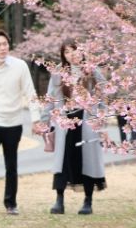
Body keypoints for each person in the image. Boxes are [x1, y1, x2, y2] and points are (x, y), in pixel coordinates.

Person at [0, 30, 39, 215]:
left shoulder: (20, 66)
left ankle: (10, 203)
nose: (3, 48)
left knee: (11, 164)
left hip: (13, 123)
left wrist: (35, 119)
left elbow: (30, 93)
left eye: (5, 44)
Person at [39, 40, 108, 215]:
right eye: (67, 52)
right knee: (62, 161)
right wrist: (44, 120)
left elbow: (103, 96)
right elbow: (50, 98)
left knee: (87, 161)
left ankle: (88, 201)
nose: (71, 55)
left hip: (87, 121)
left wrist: (101, 119)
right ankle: (59, 200)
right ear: (63, 56)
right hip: (65, 121)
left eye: (74, 51)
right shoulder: (58, 74)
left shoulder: (92, 72)